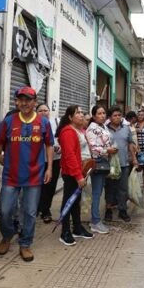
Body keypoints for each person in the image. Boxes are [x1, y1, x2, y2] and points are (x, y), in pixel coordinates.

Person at [0, 87, 54, 262]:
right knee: (6, 209)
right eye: (21, 99)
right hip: (11, 175)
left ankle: (25, 243)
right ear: (16, 101)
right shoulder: (8, 122)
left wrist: (49, 168)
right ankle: (7, 235)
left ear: (34, 102)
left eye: (28, 99)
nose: (24, 103)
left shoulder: (43, 123)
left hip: (34, 176)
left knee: (30, 212)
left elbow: (49, 145)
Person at [55, 105, 91, 246]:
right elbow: (69, 156)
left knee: (76, 201)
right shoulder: (68, 132)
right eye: (78, 113)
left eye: (82, 112)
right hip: (72, 173)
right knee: (68, 201)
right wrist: (78, 176)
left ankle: (77, 227)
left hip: (81, 170)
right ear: (70, 117)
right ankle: (65, 231)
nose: (81, 115)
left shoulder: (80, 130)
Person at [86, 105, 116, 234]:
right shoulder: (92, 129)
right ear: (93, 116)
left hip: (104, 160)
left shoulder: (103, 127)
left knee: (99, 192)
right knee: (96, 193)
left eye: (104, 113)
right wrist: (107, 150)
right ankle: (95, 221)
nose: (102, 115)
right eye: (99, 113)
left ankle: (96, 219)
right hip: (97, 161)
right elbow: (93, 148)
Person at [105, 106, 137, 222]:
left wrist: (134, 158)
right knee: (110, 188)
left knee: (123, 188)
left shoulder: (126, 129)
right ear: (109, 117)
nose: (117, 118)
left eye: (119, 115)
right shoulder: (104, 129)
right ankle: (108, 209)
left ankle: (122, 210)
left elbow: (130, 144)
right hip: (110, 165)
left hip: (124, 164)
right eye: (115, 116)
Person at [35, 103, 60, 223]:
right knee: (38, 185)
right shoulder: (33, 124)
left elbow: (61, 139)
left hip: (54, 160)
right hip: (37, 160)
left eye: (46, 110)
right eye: (40, 111)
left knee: (50, 185)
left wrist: (59, 147)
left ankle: (46, 210)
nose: (44, 112)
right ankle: (37, 208)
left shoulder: (56, 122)